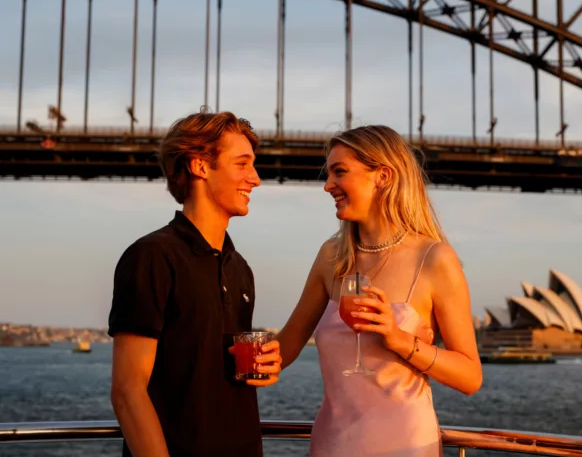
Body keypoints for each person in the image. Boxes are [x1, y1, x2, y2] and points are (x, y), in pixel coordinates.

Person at [276, 124, 483, 456]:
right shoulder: (331, 257)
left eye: (339, 172)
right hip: (332, 444)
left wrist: (398, 339)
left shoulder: (434, 259)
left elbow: (470, 377)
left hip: (405, 444)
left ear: (383, 176)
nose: (328, 185)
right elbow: (283, 349)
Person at [107, 110, 282, 457]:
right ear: (200, 166)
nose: (256, 178)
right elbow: (128, 391)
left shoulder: (240, 268)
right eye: (242, 164)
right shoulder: (152, 256)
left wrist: (265, 366)